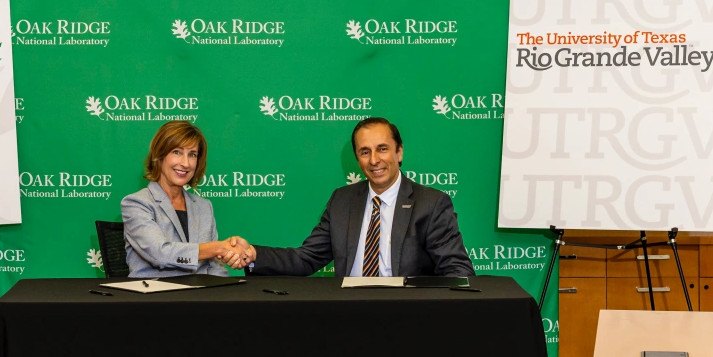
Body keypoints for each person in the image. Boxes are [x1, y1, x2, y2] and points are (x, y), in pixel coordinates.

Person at [235, 117, 475, 277]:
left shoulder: (431, 204)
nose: (374, 160)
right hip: (348, 313)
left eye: (382, 149)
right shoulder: (342, 200)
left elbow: (457, 270)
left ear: (399, 152)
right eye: (364, 152)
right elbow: (306, 258)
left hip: (407, 316)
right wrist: (254, 254)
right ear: (357, 159)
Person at [121, 121, 251, 278]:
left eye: (192, 154)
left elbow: (215, 266)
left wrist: (223, 291)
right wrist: (218, 247)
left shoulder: (204, 206)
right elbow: (160, 254)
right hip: (155, 296)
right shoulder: (136, 203)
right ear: (159, 156)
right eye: (177, 152)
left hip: (200, 296)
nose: (185, 163)